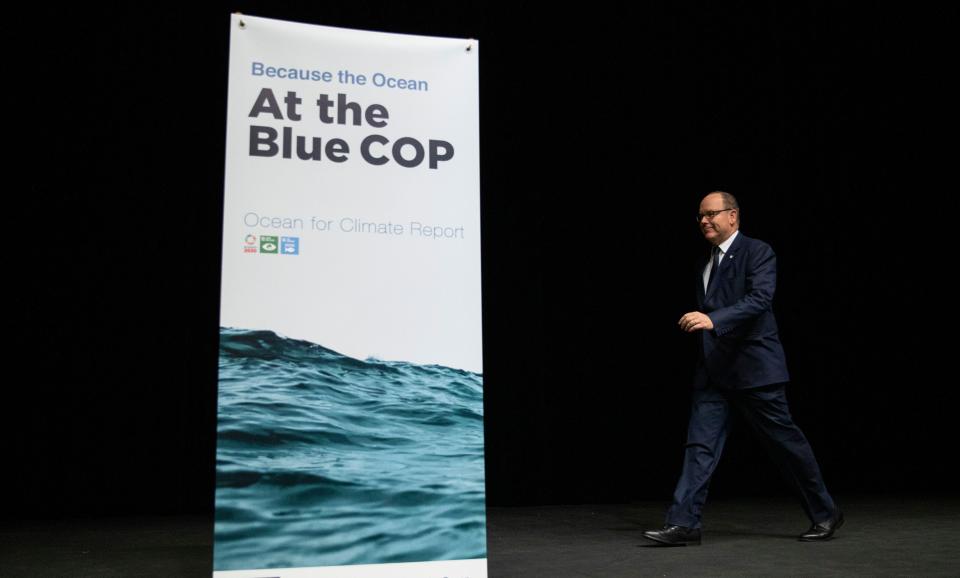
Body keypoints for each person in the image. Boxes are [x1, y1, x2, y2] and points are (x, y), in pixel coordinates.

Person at [642, 191, 843, 546]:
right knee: (699, 448)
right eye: (700, 216)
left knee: (786, 446)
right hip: (715, 373)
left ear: (733, 216)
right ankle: (683, 523)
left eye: (711, 214)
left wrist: (712, 319)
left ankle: (825, 513)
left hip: (755, 371)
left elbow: (760, 299)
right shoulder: (704, 263)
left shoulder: (757, 252)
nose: (704, 221)